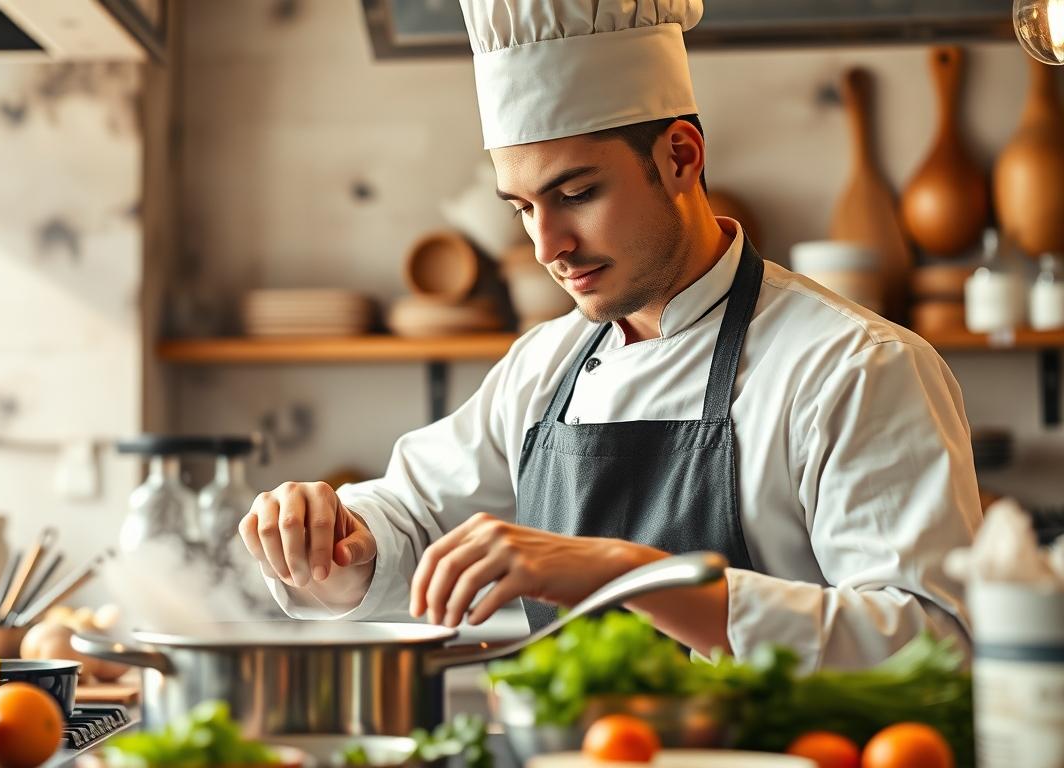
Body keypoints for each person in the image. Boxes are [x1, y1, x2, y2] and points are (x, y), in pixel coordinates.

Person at [237, 0, 981, 670]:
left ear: (680, 157)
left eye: (577, 193)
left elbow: (932, 641)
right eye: (522, 208)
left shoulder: (855, 368)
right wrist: (334, 540)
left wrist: (626, 575)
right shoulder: (544, 365)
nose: (546, 246)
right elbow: (415, 516)